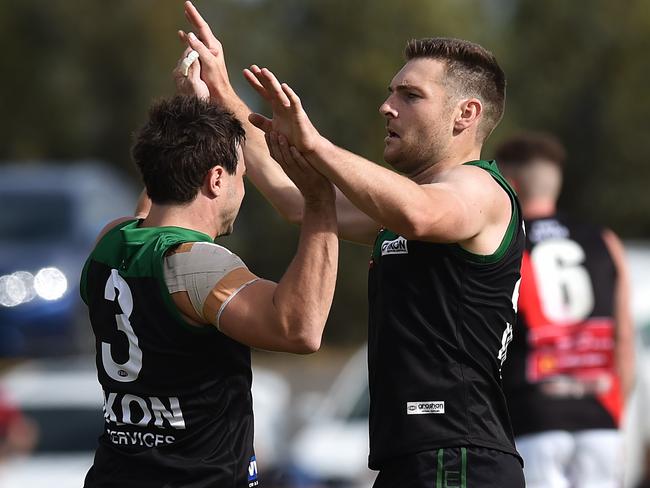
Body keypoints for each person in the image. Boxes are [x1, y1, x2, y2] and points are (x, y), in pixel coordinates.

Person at [178, 3, 525, 486]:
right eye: (390, 93)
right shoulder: (407, 207)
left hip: (458, 459)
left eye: (410, 95)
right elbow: (299, 203)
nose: (388, 106)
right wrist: (225, 99)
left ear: (465, 114)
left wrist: (317, 145)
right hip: (414, 459)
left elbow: (420, 215)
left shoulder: (479, 191)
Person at [79, 93, 338, 487]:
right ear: (217, 179)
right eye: (241, 175)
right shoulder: (197, 264)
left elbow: (149, 213)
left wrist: (194, 111)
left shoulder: (110, 241)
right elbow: (299, 328)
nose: (244, 188)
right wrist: (319, 204)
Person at [495, 131, 634, 488]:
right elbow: (625, 340)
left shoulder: (506, 241)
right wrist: (617, 410)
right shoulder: (605, 240)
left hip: (534, 415)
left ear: (509, 184)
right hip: (601, 416)